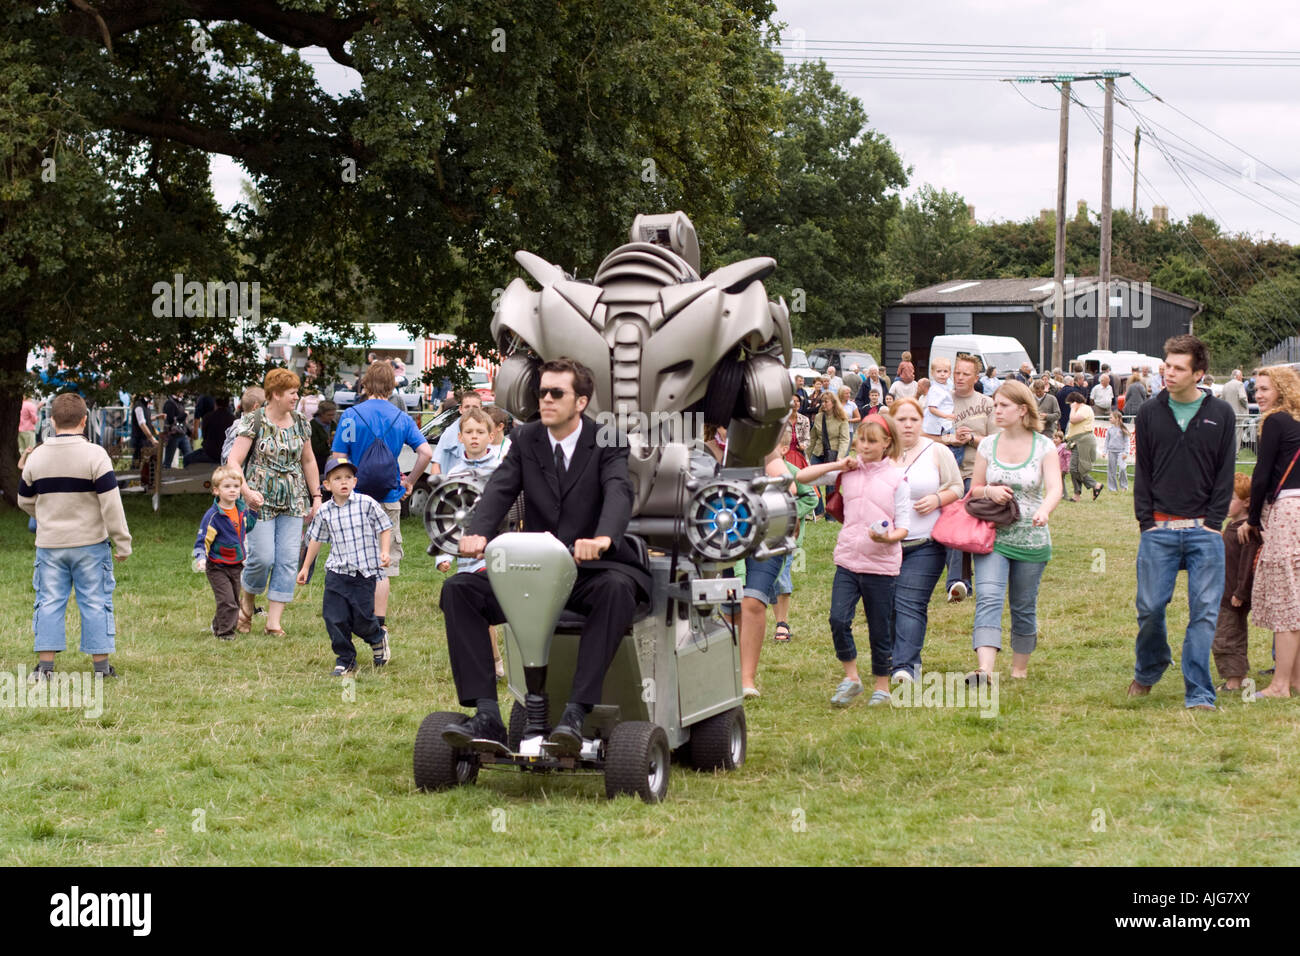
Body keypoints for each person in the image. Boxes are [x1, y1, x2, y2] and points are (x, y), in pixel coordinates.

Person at [439, 357, 649, 753]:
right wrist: (478, 531)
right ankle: (486, 714)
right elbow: (501, 487)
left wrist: (603, 537)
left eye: (557, 393)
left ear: (581, 402)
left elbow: (619, 490)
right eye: (541, 393)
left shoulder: (608, 440)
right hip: (536, 570)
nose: (546, 400)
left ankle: (575, 713)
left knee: (616, 591)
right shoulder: (527, 439)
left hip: (590, 568)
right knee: (460, 591)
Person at [1130, 334, 1236, 710]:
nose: (1168, 373)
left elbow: (1226, 473)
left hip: (1204, 531)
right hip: (1159, 528)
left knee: (1204, 614)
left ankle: (1199, 692)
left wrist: (1214, 521)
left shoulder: (1221, 414)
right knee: (1150, 608)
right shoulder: (1149, 412)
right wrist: (1146, 522)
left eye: (1178, 368)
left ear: (1199, 374)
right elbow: (1142, 471)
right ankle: (1151, 665)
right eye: (1166, 365)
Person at [796, 414, 909, 706]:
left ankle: (882, 686)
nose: (865, 446)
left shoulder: (897, 478)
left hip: (881, 565)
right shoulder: (848, 471)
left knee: (879, 626)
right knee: (837, 618)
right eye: (861, 439)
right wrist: (838, 464)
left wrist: (888, 538)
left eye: (873, 441)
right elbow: (802, 477)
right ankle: (852, 678)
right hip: (847, 560)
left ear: (887, 444)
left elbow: (904, 525)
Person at [17, 392, 131, 681]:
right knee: (95, 600)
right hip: (91, 543)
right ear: (84, 420)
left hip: (50, 545)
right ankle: (101, 669)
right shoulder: (96, 455)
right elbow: (111, 503)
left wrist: (45, 516)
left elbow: (23, 499)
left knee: (49, 601)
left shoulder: (37, 455)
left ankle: (45, 668)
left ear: (52, 421)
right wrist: (121, 541)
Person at [967, 381, 1063, 683]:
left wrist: (1044, 511)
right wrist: (989, 492)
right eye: (995, 405)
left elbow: (1055, 488)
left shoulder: (1044, 446)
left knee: (1023, 605)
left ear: (1022, 410)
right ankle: (985, 670)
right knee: (989, 598)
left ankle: (1019, 668)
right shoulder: (987, 445)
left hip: (1031, 540)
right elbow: (974, 489)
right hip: (993, 536)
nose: (996, 410)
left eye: (1003, 405)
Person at [331, 361, 433, 638]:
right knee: (383, 563)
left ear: (364, 384)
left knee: (352, 560)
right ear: (392, 386)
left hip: (354, 498)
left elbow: (338, 456)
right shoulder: (401, 418)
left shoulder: (351, 416)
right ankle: (380, 621)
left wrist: (340, 485)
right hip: (388, 497)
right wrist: (409, 481)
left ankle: (353, 618)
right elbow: (425, 453)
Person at [227, 368, 321, 637]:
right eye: (292, 392)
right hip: (259, 500)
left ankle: (273, 623)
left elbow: (308, 460)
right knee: (262, 557)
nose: (296, 397)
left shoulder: (301, 422)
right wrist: (245, 492)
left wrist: (316, 496)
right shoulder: (254, 421)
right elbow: (234, 461)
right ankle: (247, 603)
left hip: (293, 498)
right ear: (276, 394)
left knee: (288, 559)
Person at [889, 398, 964, 682]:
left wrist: (936, 498)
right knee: (888, 603)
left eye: (914, 420)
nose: (908, 425)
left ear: (922, 422)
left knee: (910, 601)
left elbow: (957, 486)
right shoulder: (881, 452)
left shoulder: (938, 451)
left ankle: (905, 667)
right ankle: (894, 655)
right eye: (902, 419)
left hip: (926, 544)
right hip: (886, 545)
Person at [298, 454, 393, 676]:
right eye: (338, 478)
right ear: (327, 485)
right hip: (337, 572)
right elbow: (316, 539)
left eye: (348, 477)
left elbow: (384, 526)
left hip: (364, 573)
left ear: (355, 482)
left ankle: (377, 637)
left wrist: (385, 551)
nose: (344, 482)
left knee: (362, 619)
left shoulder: (366, 504)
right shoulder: (324, 512)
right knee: (334, 617)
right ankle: (346, 660)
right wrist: (304, 567)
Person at [1238, 364, 1300, 698]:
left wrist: (1251, 518)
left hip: (1287, 513)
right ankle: (1295, 680)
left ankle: (1280, 685)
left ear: (1282, 389)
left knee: (1286, 601)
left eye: (1264, 389)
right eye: (1256, 389)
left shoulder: (1274, 422)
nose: (1257, 395)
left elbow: (1261, 475)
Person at [435, 408, 507, 677]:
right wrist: (443, 555)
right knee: (476, 607)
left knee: (507, 606)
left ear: (492, 436)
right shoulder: (454, 474)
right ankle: (493, 660)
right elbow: (448, 518)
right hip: (468, 553)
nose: (474, 437)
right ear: (460, 437)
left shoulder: (503, 471)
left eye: (480, 432)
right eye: (469, 432)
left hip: (500, 550)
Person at [739, 442, 800, 696]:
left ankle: (746, 680)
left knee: (753, 602)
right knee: (729, 609)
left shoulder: (762, 447)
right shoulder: (708, 450)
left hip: (767, 535)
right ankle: (724, 675)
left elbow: (791, 486)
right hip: (722, 537)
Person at [939, 355, 996, 602]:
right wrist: (952, 439)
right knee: (950, 527)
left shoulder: (987, 404)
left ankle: (958, 582)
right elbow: (928, 435)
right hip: (945, 472)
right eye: (956, 373)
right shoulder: (940, 400)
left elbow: (996, 442)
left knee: (965, 524)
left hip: (975, 473)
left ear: (976, 377)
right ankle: (960, 580)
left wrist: (971, 439)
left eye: (965, 374)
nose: (959, 377)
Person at [193, 464, 256, 641]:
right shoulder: (213, 515)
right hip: (217, 565)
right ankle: (225, 634)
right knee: (227, 600)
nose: (233, 491)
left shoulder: (241, 510)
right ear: (216, 491)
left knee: (234, 601)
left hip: (236, 564)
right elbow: (203, 539)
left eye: (236, 487)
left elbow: (247, 527)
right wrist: (201, 558)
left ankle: (217, 625)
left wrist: (255, 511)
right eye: (227, 487)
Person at [770, 424, 819, 644]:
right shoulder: (759, 470)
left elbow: (812, 498)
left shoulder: (794, 473)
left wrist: (789, 512)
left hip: (786, 537)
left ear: (782, 449)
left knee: (782, 578)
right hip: (762, 536)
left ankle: (782, 622)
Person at [1212, 474, 1260, 692]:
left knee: (1226, 637)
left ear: (1247, 502)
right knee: (1227, 633)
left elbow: (1246, 563)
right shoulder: (1230, 527)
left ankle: (1234, 680)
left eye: (1230, 498)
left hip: (1233, 595)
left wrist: (1241, 592)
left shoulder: (1245, 531)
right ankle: (1237, 675)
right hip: (1223, 592)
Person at [430, 389, 484, 477]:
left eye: (475, 407)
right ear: (460, 409)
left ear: (482, 409)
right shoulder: (449, 433)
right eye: (467, 407)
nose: (470, 411)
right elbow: (436, 465)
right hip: (453, 485)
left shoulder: (487, 432)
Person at [1064, 392, 1103, 502]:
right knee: (1075, 468)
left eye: (1070, 404)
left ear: (1074, 402)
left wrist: (1073, 408)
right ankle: (1077, 495)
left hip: (1084, 441)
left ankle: (1095, 485)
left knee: (1075, 468)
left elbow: (1073, 420)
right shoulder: (1079, 409)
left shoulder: (1085, 409)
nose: (1069, 406)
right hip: (1076, 441)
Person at [808, 389, 850, 465]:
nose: (823, 404)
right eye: (822, 402)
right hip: (817, 454)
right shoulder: (818, 417)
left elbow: (844, 439)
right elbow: (812, 438)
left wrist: (840, 457)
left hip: (833, 455)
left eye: (826, 402)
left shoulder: (841, 418)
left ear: (833, 403)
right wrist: (806, 457)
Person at [921, 357, 955, 444]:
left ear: (950, 373)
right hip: (937, 424)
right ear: (932, 373)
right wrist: (946, 416)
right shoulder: (935, 389)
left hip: (943, 423)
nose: (942, 374)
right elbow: (932, 408)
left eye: (945, 371)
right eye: (939, 371)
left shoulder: (946, 385)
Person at [161, 390, 193, 468]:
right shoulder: (169, 403)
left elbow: (183, 422)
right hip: (173, 435)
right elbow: (171, 420)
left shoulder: (180, 402)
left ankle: (189, 473)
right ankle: (164, 476)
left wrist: (188, 431)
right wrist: (184, 414)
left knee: (189, 456)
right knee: (168, 461)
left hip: (182, 434)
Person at [130, 391, 160, 466]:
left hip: (145, 440)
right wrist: (152, 439)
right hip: (139, 441)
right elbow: (142, 424)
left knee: (148, 465)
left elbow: (146, 419)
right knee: (137, 465)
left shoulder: (145, 405)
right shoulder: (139, 406)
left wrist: (157, 417)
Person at [310, 399, 337, 478]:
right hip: (318, 464)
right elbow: (314, 448)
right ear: (321, 414)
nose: (332, 417)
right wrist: (328, 442)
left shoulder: (333, 424)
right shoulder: (313, 425)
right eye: (329, 415)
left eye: (333, 415)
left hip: (331, 462)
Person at [1104, 409, 1129, 492]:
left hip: (1121, 452)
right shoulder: (1109, 430)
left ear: (1117, 418)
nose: (1109, 419)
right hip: (1111, 452)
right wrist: (1105, 451)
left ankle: (1124, 485)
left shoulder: (1123, 429)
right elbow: (1106, 441)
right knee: (1111, 470)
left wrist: (1126, 452)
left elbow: (1127, 441)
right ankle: (1112, 488)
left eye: (1111, 417)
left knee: (1122, 468)